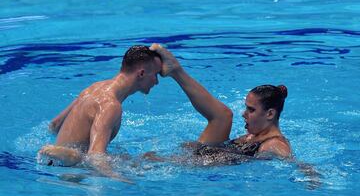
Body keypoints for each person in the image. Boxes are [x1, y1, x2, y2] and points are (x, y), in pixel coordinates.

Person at [147, 43, 291, 165]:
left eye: (251, 110)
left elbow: (295, 163)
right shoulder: (255, 135)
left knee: (223, 116)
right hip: (203, 155)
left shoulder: (274, 144)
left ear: (270, 114)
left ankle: (176, 70)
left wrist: (310, 175)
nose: (244, 114)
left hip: (197, 164)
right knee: (224, 116)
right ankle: (176, 70)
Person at [37, 45, 162, 182]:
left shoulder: (94, 88)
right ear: (142, 73)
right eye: (155, 74)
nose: (156, 81)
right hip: (70, 174)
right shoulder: (110, 106)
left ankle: (67, 153)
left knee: (136, 158)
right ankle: (71, 156)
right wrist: (122, 179)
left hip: (53, 164)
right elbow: (95, 157)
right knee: (143, 163)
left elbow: (54, 125)